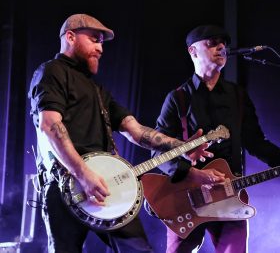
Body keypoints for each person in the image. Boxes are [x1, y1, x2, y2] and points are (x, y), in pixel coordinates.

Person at [28, 14, 213, 253]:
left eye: (102, 42)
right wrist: (83, 174)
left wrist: (182, 147)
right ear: (70, 37)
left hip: (106, 184)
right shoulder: (52, 72)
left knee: (137, 249)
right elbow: (50, 126)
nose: (100, 48)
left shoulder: (97, 90)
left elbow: (136, 131)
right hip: (65, 183)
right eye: (94, 39)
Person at [150, 24, 280, 253]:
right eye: (211, 42)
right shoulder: (178, 98)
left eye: (223, 43)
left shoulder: (237, 96)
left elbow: (256, 142)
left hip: (230, 194)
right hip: (187, 198)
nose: (221, 47)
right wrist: (192, 173)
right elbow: (157, 151)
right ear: (192, 51)